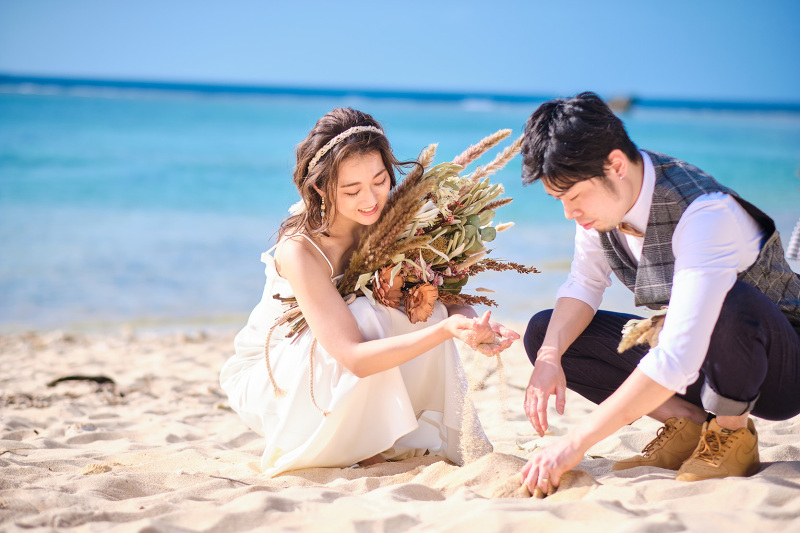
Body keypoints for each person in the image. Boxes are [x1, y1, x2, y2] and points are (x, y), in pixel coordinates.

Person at [517, 92, 800, 494]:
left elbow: (677, 358)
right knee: (546, 332)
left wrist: (572, 444)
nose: (569, 213)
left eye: (574, 196)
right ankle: (689, 425)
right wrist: (548, 357)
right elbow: (584, 283)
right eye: (558, 199)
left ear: (615, 165)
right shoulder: (604, 204)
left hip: (780, 368)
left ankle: (732, 433)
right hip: (699, 360)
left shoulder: (705, 212)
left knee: (727, 298)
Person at [220, 107, 519, 477]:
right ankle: (364, 443)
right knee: (367, 314)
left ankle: (389, 432)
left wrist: (472, 326)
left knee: (424, 308)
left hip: (333, 358)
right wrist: (442, 331)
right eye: (352, 190)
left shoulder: (394, 217)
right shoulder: (300, 250)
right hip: (276, 375)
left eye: (380, 181)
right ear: (319, 188)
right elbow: (353, 356)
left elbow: (446, 295)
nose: (371, 200)